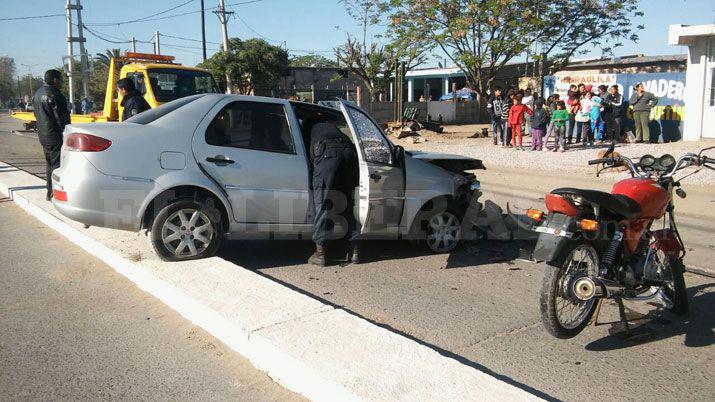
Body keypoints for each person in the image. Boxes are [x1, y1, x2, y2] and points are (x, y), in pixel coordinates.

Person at [308, 122, 360, 266]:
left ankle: (320, 253)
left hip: (327, 154)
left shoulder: (308, 125)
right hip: (349, 153)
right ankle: (354, 251)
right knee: (347, 205)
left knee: (322, 204)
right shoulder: (333, 127)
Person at [32, 69, 71, 201]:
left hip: (43, 135)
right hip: (55, 135)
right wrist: (67, 132)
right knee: (57, 165)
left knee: (49, 164)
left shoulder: (37, 94)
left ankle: (49, 191)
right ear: (55, 80)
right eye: (61, 80)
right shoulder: (55, 95)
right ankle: (55, 192)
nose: (61, 83)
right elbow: (62, 118)